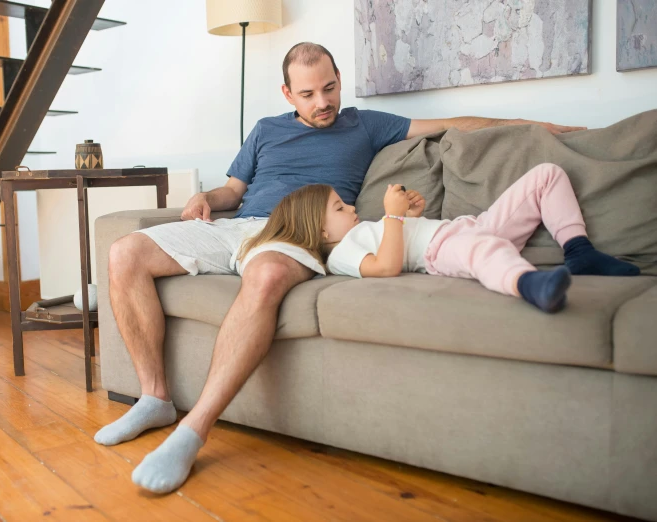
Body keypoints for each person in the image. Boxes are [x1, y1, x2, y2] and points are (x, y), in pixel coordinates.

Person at [95, 42, 587, 494]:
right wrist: (206, 197)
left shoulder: (365, 124)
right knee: (124, 252)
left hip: (301, 233)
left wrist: (530, 126)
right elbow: (233, 193)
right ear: (288, 93)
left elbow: (449, 125)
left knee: (264, 276)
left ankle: (192, 430)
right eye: (308, 94)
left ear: (338, 80)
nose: (322, 101)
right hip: (237, 225)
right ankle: (155, 398)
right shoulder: (265, 130)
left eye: (329, 88)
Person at [239, 163, 639, 314]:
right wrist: (394, 216)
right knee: (487, 250)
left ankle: (579, 251)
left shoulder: (363, 229)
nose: (353, 209)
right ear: (321, 231)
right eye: (341, 209)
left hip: (466, 225)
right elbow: (387, 266)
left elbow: (400, 238)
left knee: (546, 175)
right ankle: (529, 284)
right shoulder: (342, 254)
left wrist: (410, 217)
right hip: (442, 250)